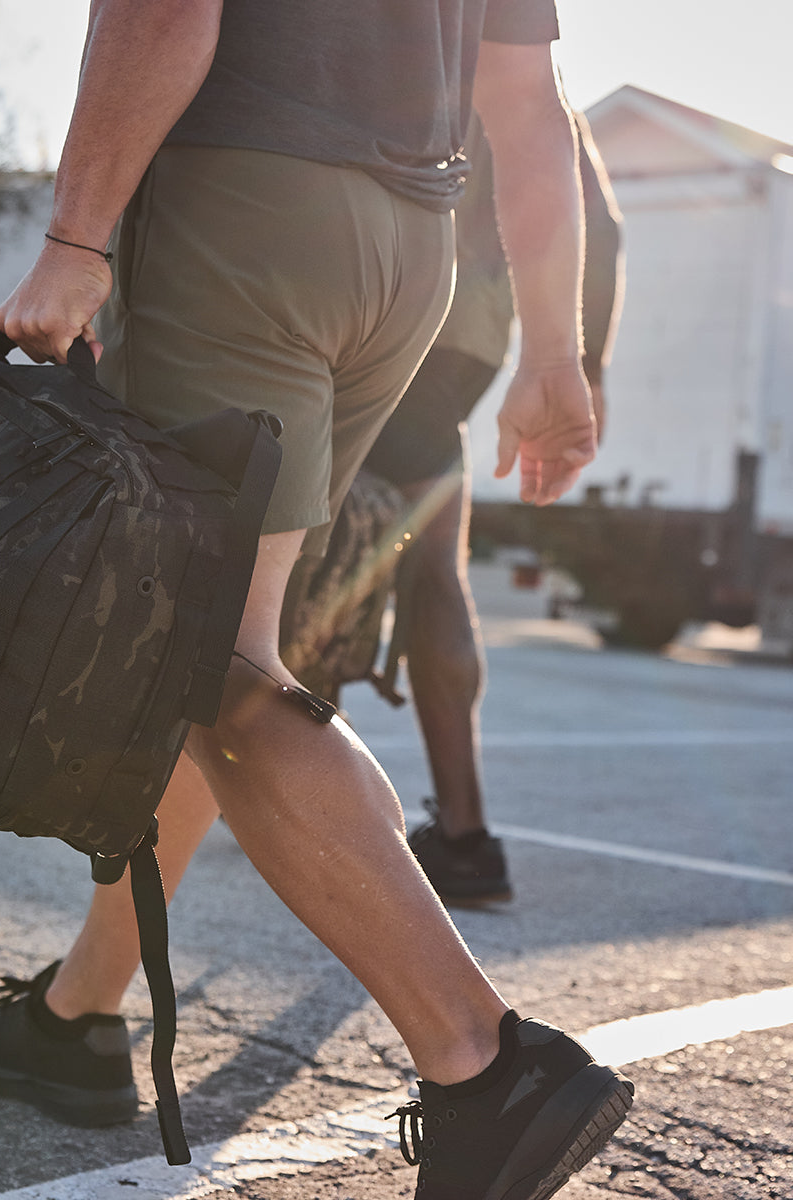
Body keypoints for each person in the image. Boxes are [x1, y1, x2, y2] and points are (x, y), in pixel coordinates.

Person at [0, 3, 635, 1196]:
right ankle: (79, 1014)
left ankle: (484, 1066)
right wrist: (555, 353)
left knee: (221, 670)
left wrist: (75, 239)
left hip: (247, 213)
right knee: (217, 659)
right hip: (410, 251)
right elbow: (529, 106)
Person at [358, 112, 624, 906]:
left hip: (371, 304)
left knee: (289, 534)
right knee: (433, 566)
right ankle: (467, 840)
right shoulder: (521, 63)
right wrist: (588, 366)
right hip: (466, 342)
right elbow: (599, 226)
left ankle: (279, 772)